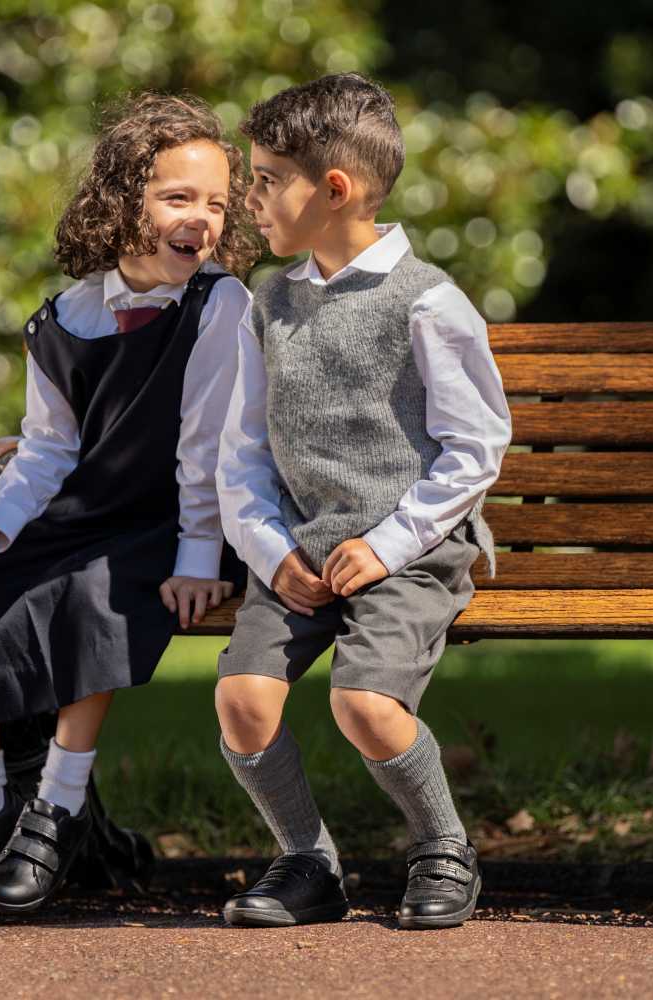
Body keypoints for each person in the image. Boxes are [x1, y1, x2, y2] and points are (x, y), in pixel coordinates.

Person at [0, 92, 257, 922]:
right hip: (87, 511)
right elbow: (47, 452)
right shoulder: (62, 318)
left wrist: (197, 562)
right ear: (121, 202)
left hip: (180, 524)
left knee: (90, 598)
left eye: (217, 204)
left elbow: (210, 451)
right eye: (179, 198)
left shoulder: (222, 307)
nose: (202, 221)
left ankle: (58, 810)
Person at [214, 73, 512, 930]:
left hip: (412, 550)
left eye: (266, 180)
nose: (251, 198)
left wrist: (386, 546)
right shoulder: (267, 305)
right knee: (241, 701)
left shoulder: (428, 302)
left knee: (365, 705)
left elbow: (475, 449)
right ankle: (308, 863)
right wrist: (275, 553)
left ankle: (443, 846)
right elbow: (243, 454)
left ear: (334, 189)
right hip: (302, 550)